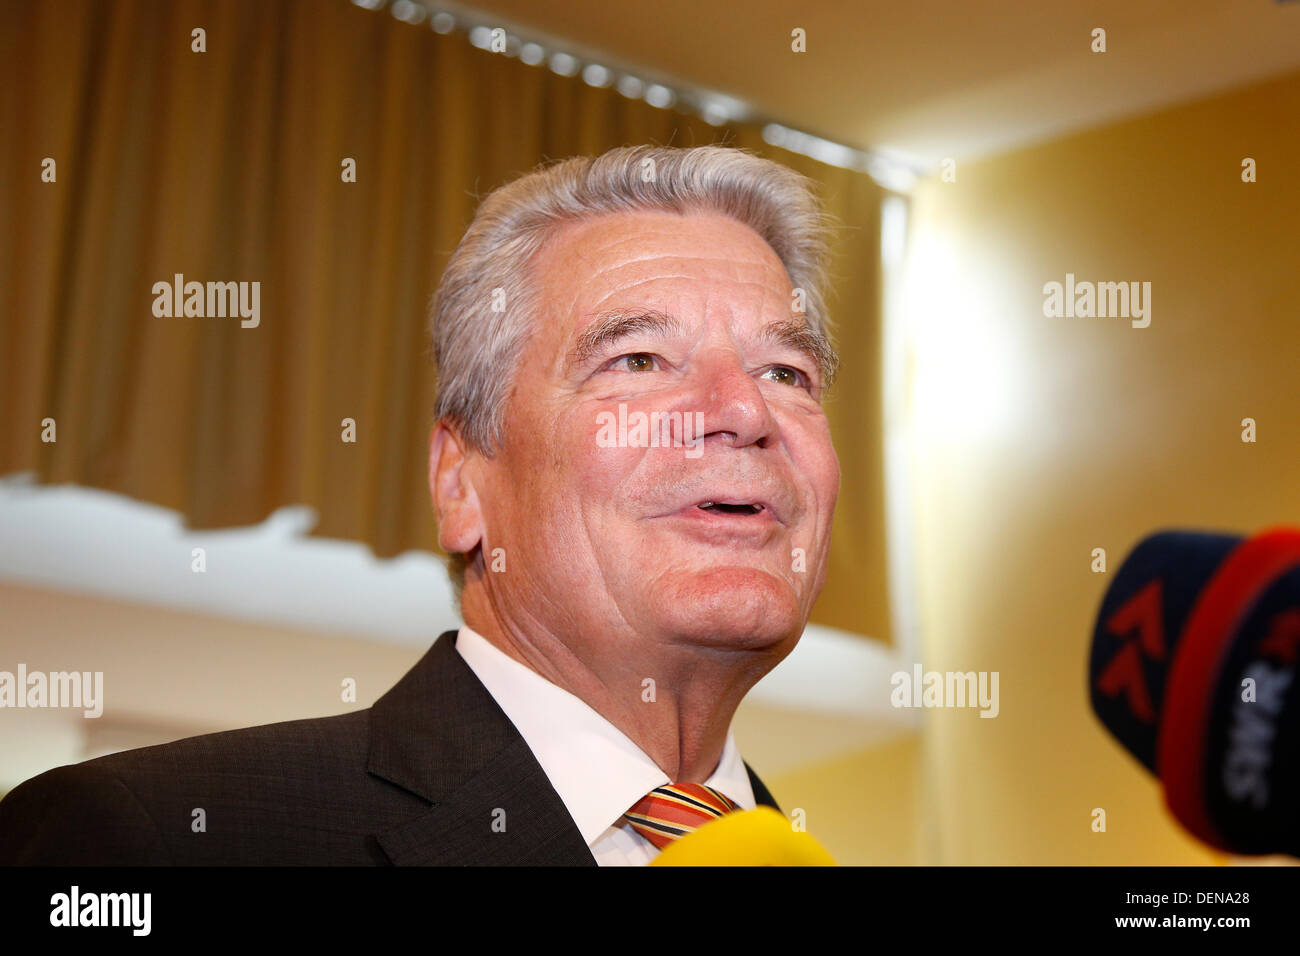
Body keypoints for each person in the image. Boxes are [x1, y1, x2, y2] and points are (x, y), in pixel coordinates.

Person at [0, 145, 841, 865]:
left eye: (786, 374)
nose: (744, 411)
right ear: (460, 482)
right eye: (639, 359)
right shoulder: (142, 840)